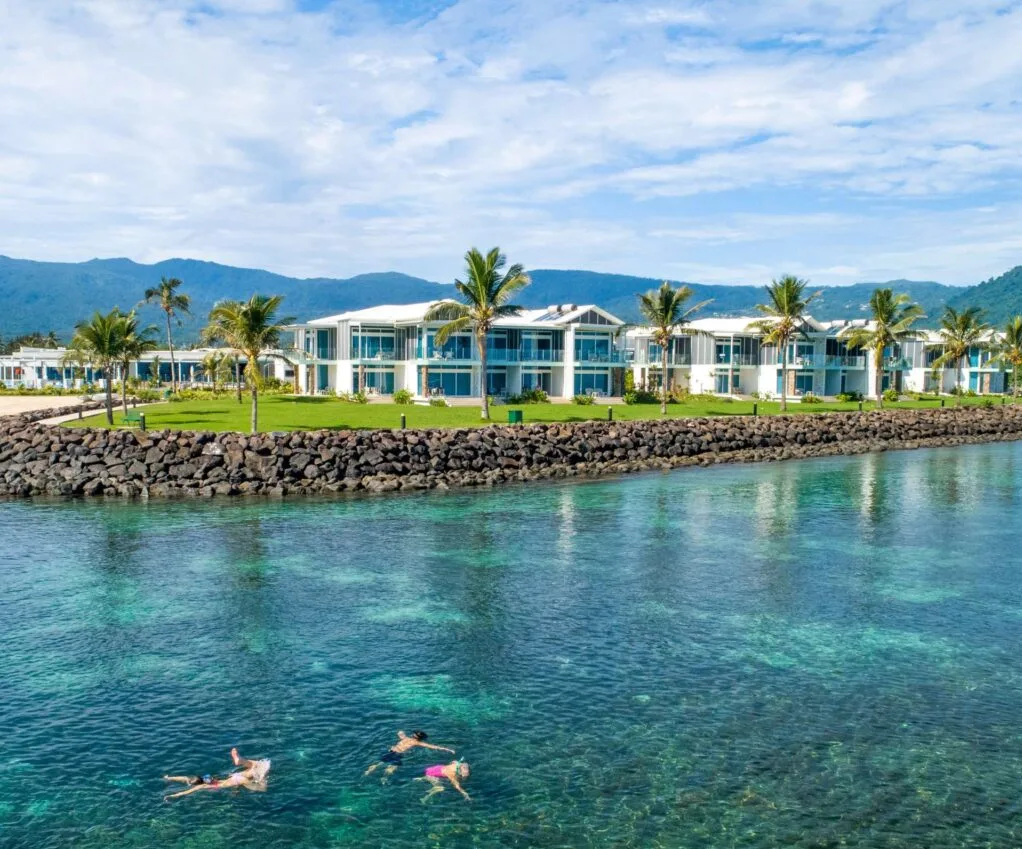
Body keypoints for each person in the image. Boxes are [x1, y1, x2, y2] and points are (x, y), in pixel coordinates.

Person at [163, 748, 271, 800]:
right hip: (235, 776)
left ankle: (261, 777)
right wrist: (170, 777)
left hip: (237, 780)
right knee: (257, 766)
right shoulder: (207, 779)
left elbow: (186, 792)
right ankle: (241, 761)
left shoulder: (203, 785)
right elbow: (185, 778)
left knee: (263, 787)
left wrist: (172, 795)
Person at [364, 730, 454, 777]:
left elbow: (400, 734)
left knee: (380, 763)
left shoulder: (405, 738)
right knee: (393, 766)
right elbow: (433, 746)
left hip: (391, 751)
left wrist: (401, 732)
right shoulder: (417, 742)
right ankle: (384, 777)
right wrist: (447, 749)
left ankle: (368, 771)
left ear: (414, 736)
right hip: (398, 754)